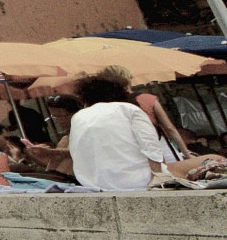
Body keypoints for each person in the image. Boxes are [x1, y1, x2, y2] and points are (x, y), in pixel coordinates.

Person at [66, 76, 227, 191]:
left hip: (94, 183)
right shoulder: (129, 109)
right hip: (138, 180)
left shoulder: (78, 117)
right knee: (215, 159)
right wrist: (158, 177)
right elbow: (150, 146)